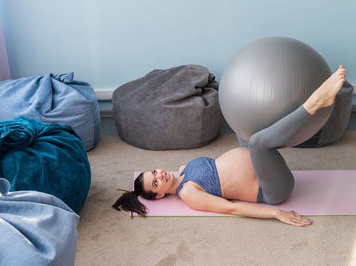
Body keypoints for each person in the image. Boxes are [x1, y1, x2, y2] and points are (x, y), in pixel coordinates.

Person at [112, 66, 347, 227]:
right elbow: (231, 208)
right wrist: (277, 213)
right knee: (256, 143)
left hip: (264, 168)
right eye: (155, 183)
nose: (159, 175)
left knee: (247, 127)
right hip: (272, 189)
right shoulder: (188, 194)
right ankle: (315, 102)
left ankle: (300, 111)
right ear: (160, 194)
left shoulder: (184, 170)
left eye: (154, 172)